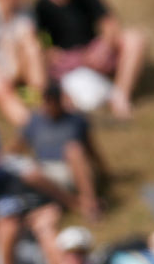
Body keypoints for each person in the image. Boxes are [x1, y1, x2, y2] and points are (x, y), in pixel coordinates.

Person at [34, 0, 149, 118]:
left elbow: (110, 24)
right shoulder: (40, 6)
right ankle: (57, 101)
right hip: (64, 63)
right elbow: (35, 39)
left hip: (93, 53)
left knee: (135, 38)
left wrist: (104, 46)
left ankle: (121, 97)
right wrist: (50, 52)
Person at [12, 82, 104, 221]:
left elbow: (91, 148)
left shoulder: (76, 120)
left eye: (53, 100)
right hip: (48, 171)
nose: (49, 105)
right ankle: (77, 204)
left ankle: (90, 203)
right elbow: (17, 147)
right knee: (30, 173)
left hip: (74, 168)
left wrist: (104, 171)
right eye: (47, 101)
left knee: (74, 150)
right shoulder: (34, 121)